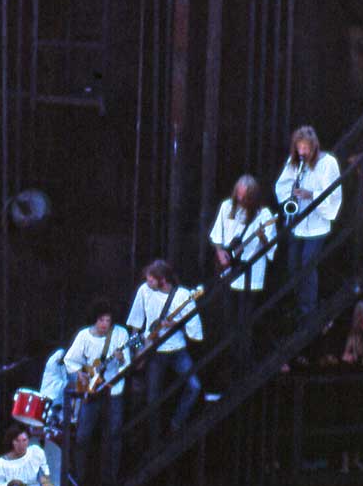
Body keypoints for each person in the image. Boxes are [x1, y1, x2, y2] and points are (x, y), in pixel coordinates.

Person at [126, 260, 203, 435]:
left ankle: (176, 424)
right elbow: (136, 322)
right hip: (154, 351)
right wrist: (137, 350)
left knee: (194, 386)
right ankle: (154, 437)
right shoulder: (144, 290)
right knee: (152, 397)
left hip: (177, 350)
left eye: (151, 280)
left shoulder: (182, 295)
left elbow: (194, 329)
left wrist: (174, 324)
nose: (148, 283)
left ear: (163, 280)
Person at [275, 125, 341, 326]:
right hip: (297, 223)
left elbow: (334, 194)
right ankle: (297, 305)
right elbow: (281, 186)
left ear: (314, 146)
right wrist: (290, 197)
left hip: (317, 225)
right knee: (293, 265)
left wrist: (311, 195)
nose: (302, 152)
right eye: (299, 148)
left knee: (307, 265)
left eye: (305, 148)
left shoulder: (328, 163)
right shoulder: (295, 162)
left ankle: (308, 310)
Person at [63, 298, 130, 486]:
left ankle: (110, 481)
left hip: (113, 390)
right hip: (92, 391)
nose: (104, 324)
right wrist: (80, 374)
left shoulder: (120, 334)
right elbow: (69, 360)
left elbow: (127, 364)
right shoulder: (84, 336)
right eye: (101, 320)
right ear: (94, 319)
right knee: (83, 435)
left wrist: (121, 359)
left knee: (114, 434)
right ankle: (80, 480)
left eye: (108, 320)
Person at [210, 175, 277, 362]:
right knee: (228, 319)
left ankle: (244, 359)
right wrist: (220, 252)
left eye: (244, 197)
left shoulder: (264, 214)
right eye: (238, 195)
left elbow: (270, 247)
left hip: (251, 273)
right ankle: (230, 358)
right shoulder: (226, 207)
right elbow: (217, 236)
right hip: (228, 271)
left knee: (246, 320)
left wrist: (262, 237)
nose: (240, 199)